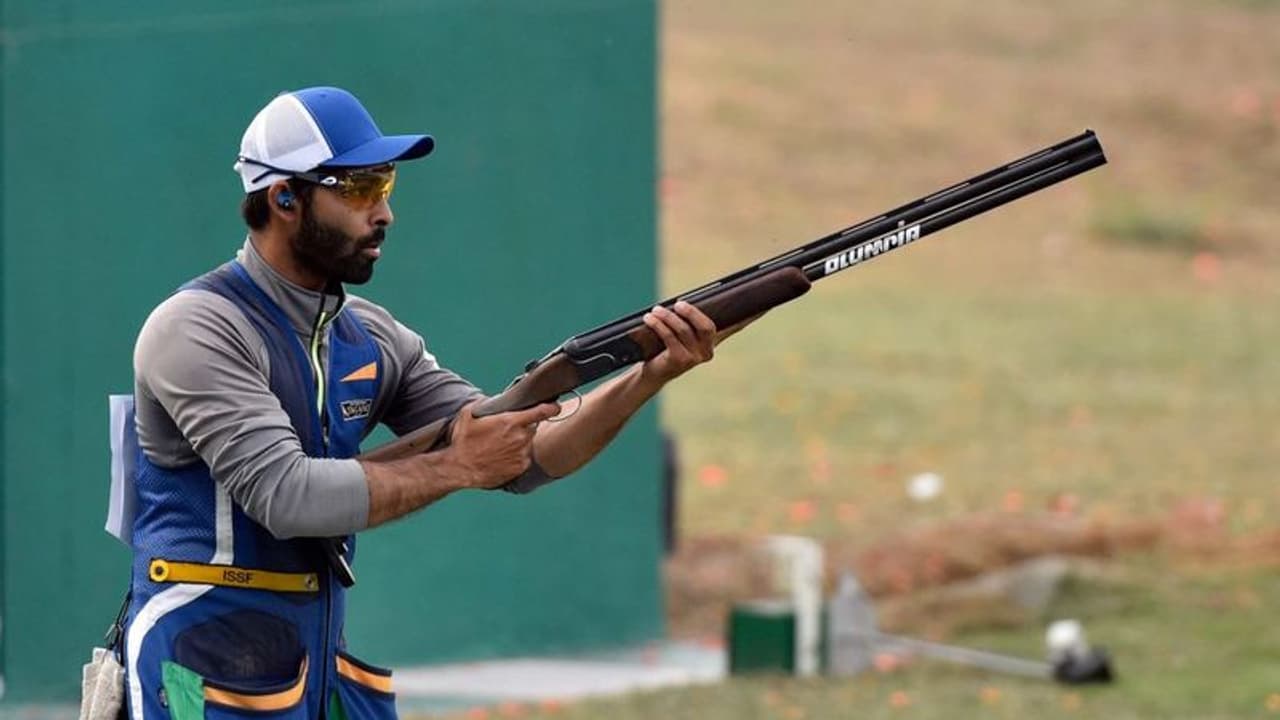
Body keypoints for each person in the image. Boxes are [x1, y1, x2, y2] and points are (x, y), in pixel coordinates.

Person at [120, 86, 723, 720]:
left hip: (311, 662)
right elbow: (287, 498)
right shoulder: (198, 328)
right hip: (194, 665)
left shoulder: (370, 335)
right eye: (358, 188)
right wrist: (457, 466)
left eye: (386, 186)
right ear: (285, 198)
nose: (383, 213)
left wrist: (646, 376)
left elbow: (523, 453)